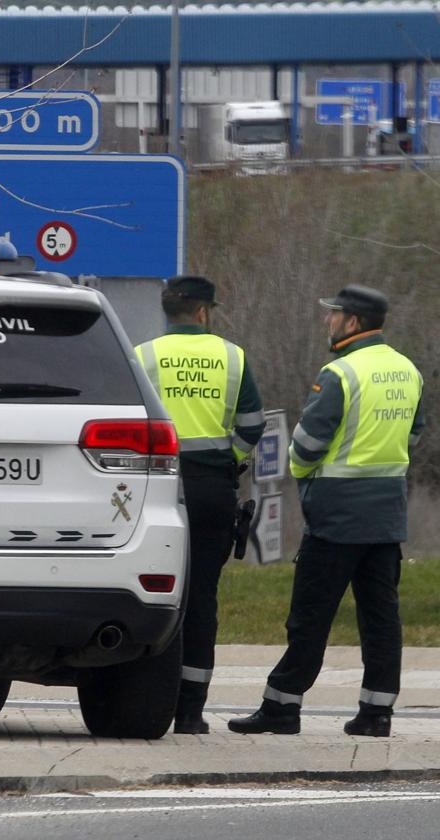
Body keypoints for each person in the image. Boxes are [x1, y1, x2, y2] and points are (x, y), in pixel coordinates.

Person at [229, 285, 424, 738]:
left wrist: (303, 473)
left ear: (353, 322)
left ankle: (282, 707)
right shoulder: (407, 370)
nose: (327, 322)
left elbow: (308, 445)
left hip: (336, 517)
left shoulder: (340, 373)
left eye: (333, 315)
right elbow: (415, 435)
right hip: (386, 514)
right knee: (380, 618)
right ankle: (376, 714)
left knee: (309, 616)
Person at [135, 275, 265, 735]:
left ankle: (150, 696)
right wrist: (227, 459)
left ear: (167, 311)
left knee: (155, 593)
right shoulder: (232, 357)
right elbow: (252, 426)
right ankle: (191, 711)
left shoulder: (144, 355)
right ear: (205, 312)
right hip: (212, 487)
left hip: (154, 489)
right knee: (202, 597)